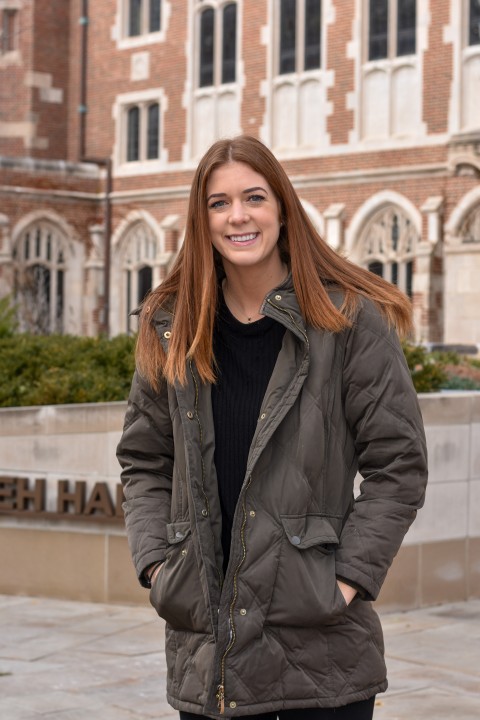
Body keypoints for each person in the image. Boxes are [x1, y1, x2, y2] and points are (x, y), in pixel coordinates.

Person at [116, 135, 428, 720]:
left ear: (282, 209)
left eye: (254, 197)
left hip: (322, 657)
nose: (238, 216)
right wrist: (160, 564)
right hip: (210, 664)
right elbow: (144, 461)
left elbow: (399, 465)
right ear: (201, 217)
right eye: (219, 202)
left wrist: (346, 580)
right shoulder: (172, 326)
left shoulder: (348, 320)